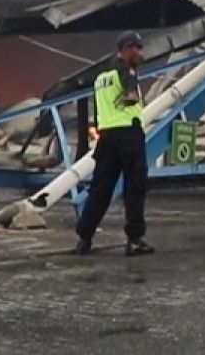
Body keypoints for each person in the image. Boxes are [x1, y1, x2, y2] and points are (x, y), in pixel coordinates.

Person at [75, 30, 156, 256]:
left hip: (106, 138)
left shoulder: (101, 76)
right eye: (137, 49)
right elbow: (132, 96)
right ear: (127, 49)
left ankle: (84, 237)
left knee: (100, 189)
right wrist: (130, 98)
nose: (140, 54)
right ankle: (135, 238)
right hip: (128, 135)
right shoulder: (127, 70)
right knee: (135, 187)